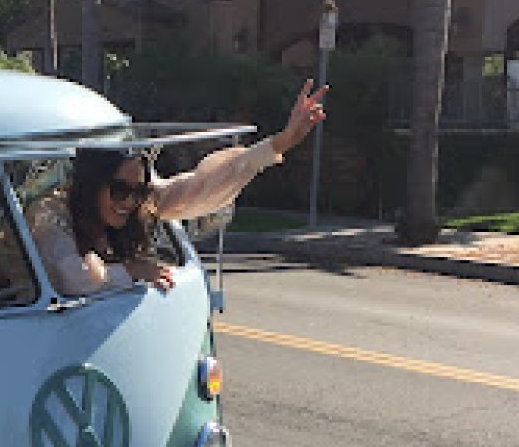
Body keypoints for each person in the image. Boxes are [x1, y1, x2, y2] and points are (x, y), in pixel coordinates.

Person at [27, 81, 329, 296]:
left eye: (141, 190)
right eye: (120, 190)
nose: (131, 201)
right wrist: (131, 270)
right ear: (91, 184)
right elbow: (74, 279)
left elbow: (198, 187)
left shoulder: (137, 206)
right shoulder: (50, 213)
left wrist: (281, 142)